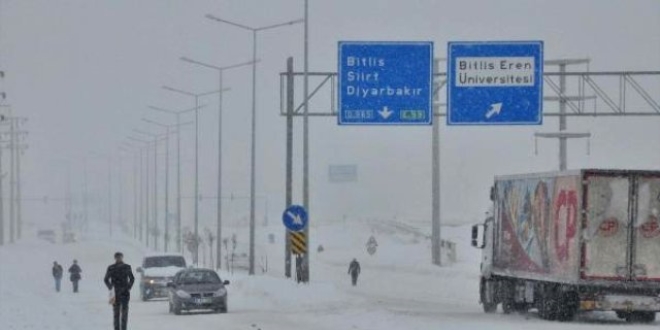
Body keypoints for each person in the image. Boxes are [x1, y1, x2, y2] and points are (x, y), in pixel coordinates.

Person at [104, 252, 135, 330]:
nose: (119, 259)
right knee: (116, 313)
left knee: (124, 313)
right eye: (117, 257)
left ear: (122, 257)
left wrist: (128, 287)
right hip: (115, 293)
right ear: (115, 258)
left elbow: (132, 278)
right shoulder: (111, 268)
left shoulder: (127, 267)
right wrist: (110, 287)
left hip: (125, 293)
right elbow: (106, 279)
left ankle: (124, 328)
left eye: (120, 257)